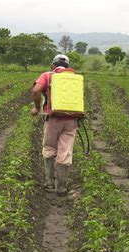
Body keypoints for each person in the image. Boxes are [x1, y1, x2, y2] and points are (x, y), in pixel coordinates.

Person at [31, 54, 78, 196]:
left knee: (50, 148)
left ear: (53, 65)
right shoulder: (74, 78)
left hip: (53, 118)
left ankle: (49, 182)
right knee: (65, 151)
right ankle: (62, 187)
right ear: (67, 67)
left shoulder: (47, 75)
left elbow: (36, 90)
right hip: (71, 120)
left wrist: (37, 108)